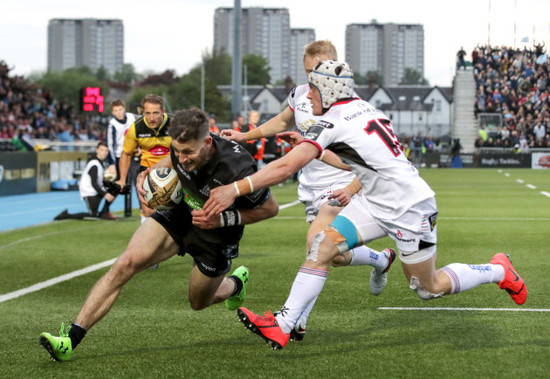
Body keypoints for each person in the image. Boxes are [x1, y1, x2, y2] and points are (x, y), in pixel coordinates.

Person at [205, 60, 527, 350]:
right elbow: (353, 162)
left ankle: (499, 269)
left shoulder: (332, 120)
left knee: (429, 288)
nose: (308, 99)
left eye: (313, 91)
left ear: (328, 91)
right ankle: (284, 324)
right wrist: (312, 149)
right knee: (322, 247)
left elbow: (287, 167)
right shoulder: (364, 108)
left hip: (409, 207)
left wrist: (235, 189)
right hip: (375, 201)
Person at [39, 107, 279, 362]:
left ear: (208, 142)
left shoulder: (238, 167)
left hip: (217, 236)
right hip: (179, 214)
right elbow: (172, 159)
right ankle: (70, 340)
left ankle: (235, 285)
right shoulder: (180, 151)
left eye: (189, 152)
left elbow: (270, 208)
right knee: (125, 264)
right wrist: (147, 174)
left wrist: (224, 218)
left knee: (198, 301)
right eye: (177, 150)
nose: (182, 158)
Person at [221, 40, 395, 341]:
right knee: (333, 255)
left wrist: (354, 187)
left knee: (316, 244)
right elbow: (281, 121)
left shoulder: (348, 104)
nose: (310, 78)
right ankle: (381, 260)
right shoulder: (300, 94)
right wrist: (245, 135)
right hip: (311, 187)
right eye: (306, 71)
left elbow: (370, 159)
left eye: (315, 71)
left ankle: (293, 321)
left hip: (340, 184)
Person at [116, 94, 172, 224]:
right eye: (147, 113)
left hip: (172, 170)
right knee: (148, 209)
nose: (151, 118)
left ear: (163, 111)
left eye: (155, 113)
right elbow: (126, 154)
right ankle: (147, 240)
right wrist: (122, 179)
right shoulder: (136, 128)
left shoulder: (175, 125)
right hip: (147, 171)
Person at [53, 142, 118, 221]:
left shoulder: (100, 163)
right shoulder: (94, 164)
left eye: (106, 151)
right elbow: (93, 183)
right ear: (97, 150)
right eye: (102, 150)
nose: (104, 153)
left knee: (116, 188)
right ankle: (67, 215)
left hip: (96, 191)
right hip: (89, 192)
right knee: (93, 215)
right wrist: (105, 194)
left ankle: (104, 212)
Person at [107, 99, 136, 179]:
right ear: (113, 112)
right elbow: (110, 145)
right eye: (115, 110)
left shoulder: (131, 117)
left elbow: (138, 133)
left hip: (133, 154)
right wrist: (112, 163)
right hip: (120, 156)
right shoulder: (112, 125)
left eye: (120, 109)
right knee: (123, 185)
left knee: (138, 180)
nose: (118, 113)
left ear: (124, 109)